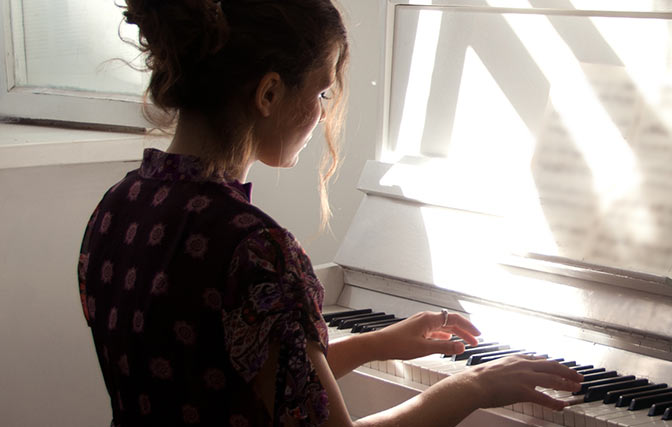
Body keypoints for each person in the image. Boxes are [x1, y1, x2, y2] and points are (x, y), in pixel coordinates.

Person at [77, 1, 583, 426]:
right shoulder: (255, 249)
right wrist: (473, 387)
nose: (323, 112)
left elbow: (232, 378)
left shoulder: (117, 208)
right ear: (269, 93)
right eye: (321, 91)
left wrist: (374, 344)